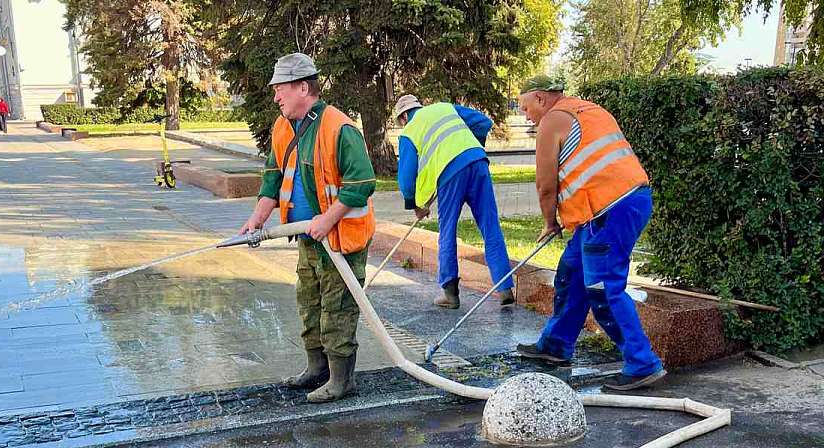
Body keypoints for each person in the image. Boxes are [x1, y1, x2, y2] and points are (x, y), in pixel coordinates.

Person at [240, 52, 376, 403]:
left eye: (280, 88)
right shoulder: (283, 126)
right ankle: (317, 369)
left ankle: (342, 380)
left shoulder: (339, 128)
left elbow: (361, 183)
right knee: (309, 303)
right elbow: (273, 176)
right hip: (310, 239)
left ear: (303, 87)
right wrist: (258, 217)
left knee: (337, 308)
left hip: (341, 240)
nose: (275, 96)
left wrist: (327, 219)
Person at [515, 75, 665, 391]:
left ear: (540, 98)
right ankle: (555, 345)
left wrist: (549, 222)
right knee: (572, 273)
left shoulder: (551, 121)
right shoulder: (588, 109)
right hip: (620, 204)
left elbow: (545, 185)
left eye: (526, 108)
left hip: (609, 210)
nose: (526, 116)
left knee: (602, 288)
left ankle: (642, 363)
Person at [393, 94, 515, 309]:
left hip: (450, 174)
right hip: (477, 161)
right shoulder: (444, 108)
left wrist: (415, 205)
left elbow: (406, 179)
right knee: (491, 227)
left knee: (447, 230)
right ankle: (505, 287)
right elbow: (483, 122)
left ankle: (450, 294)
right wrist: (467, 149)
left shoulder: (409, 132)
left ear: (403, 116)